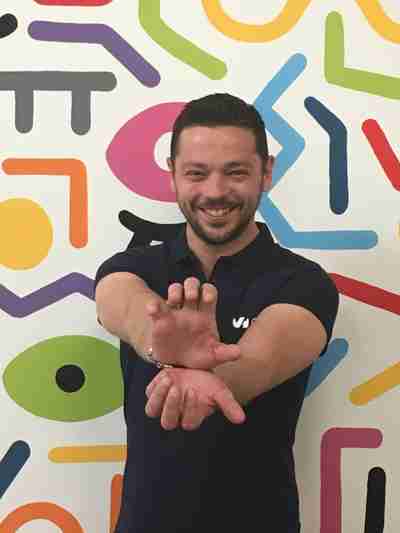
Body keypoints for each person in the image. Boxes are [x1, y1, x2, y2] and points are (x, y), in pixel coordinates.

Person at [94, 93, 339, 533]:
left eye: (236, 172)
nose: (215, 191)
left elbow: (260, 362)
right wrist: (158, 343)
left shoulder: (305, 282)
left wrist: (211, 379)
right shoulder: (133, 267)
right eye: (196, 173)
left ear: (266, 172)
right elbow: (122, 305)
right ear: (172, 172)